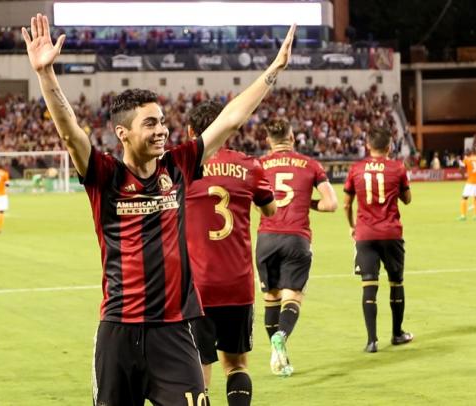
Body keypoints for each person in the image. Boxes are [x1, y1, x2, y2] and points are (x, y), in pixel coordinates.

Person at [21, 13, 296, 406]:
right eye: (150, 123)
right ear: (124, 133)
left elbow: (231, 118)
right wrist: (46, 74)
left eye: (163, 122)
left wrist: (274, 69)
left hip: (174, 330)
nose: (162, 130)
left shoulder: (179, 166)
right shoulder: (104, 176)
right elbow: (69, 132)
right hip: (118, 329)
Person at [185, 101, 276, 406]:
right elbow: (271, 209)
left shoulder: (181, 169)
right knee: (236, 365)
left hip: (197, 286)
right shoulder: (250, 166)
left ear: (190, 132)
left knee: (198, 369)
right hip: (238, 284)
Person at [256, 119, 337, 377]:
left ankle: (279, 359)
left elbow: (253, 200)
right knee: (292, 298)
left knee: (271, 297)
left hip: (266, 237)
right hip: (297, 238)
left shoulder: (259, 165)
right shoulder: (310, 164)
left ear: (269, 141)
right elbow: (331, 204)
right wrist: (307, 203)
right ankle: (281, 337)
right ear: (292, 137)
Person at [343, 127, 413, 353]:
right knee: (396, 282)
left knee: (369, 286)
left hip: (365, 234)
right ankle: (397, 334)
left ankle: (372, 341)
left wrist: (352, 226)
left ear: (367, 145)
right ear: (389, 147)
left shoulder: (356, 169)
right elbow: (407, 199)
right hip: (391, 233)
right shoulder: (398, 168)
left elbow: (346, 203)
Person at [458, 147, 476, 220]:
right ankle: (475, 216)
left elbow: (462, 169)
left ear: (471, 152)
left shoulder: (467, 159)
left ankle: (463, 216)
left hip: (470, 182)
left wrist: (463, 174)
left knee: (464, 197)